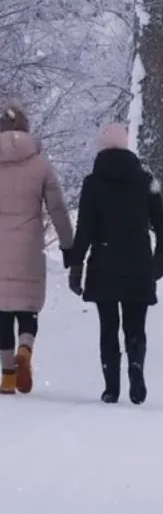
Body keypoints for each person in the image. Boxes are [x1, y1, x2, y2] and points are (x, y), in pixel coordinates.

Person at [0, 102, 73, 395]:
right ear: (26, 129)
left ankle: (7, 377)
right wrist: (69, 244)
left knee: (3, 312)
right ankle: (25, 350)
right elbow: (57, 207)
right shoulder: (40, 164)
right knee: (27, 308)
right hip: (29, 246)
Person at [69, 123, 163, 405]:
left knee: (107, 326)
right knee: (135, 326)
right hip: (137, 263)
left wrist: (77, 268)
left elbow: (84, 228)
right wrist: (158, 264)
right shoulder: (146, 180)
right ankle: (136, 366)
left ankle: (112, 387)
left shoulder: (93, 182)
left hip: (104, 262)